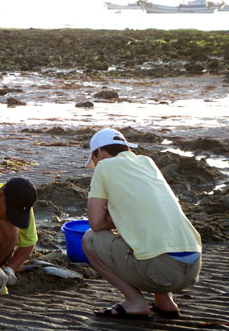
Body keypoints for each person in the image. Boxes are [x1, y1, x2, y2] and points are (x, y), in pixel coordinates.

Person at [82, 128, 202, 319]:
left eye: (94, 159)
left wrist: (114, 221)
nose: (96, 164)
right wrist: (124, 220)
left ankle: (135, 302)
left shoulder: (104, 167)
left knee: (89, 239)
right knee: (144, 232)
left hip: (162, 270)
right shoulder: (147, 163)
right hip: (193, 265)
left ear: (100, 152)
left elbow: (95, 223)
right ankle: (165, 302)